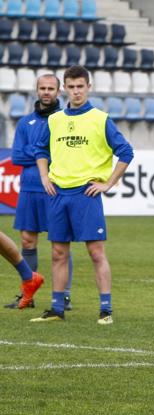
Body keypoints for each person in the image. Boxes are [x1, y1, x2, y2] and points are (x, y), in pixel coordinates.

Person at [31, 65, 134, 324]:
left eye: (80, 86)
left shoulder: (100, 119)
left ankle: (106, 310)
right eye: (71, 87)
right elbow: (40, 150)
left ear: (89, 87)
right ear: (64, 88)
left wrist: (108, 183)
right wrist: (45, 176)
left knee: (96, 252)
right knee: (57, 252)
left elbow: (126, 152)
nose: (76, 92)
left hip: (86, 195)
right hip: (58, 194)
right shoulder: (54, 120)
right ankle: (57, 309)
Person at [5, 74, 74, 310]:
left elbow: (60, 156)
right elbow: (16, 157)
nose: (46, 92)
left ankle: (64, 295)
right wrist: (41, 153)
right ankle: (29, 293)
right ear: (37, 90)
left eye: (51, 88)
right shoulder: (25, 123)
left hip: (55, 187)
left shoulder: (65, 121)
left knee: (60, 244)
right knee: (27, 240)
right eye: (42, 88)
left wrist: (34, 153)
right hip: (29, 189)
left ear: (58, 91)